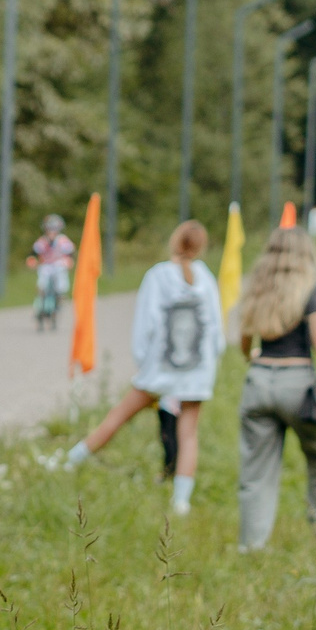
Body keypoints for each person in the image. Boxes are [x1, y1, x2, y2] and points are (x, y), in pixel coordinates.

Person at [59, 221, 224, 516]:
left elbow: (144, 326)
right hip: (196, 373)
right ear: (201, 247)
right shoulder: (206, 279)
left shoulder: (158, 276)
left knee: (118, 416)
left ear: (174, 242)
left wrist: (144, 363)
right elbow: (216, 332)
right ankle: (181, 501)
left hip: (159, 371)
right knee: (188, 434)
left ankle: (70, 461)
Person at [235, 228, 316, 549]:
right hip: (296, 384)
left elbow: (245, 337)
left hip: (259, 380)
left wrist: (252, 356)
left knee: (256, 471)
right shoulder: (309, 289)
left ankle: (251, 546)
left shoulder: (257, 287)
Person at [28, 214, 77, 319]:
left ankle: (60, 296)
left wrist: (70, 260)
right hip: (46, 264)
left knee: (61, 279)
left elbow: (70, 251)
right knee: (42, 281)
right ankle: (39, 303)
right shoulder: (42, 241)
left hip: (58, 264)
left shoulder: (62, 240)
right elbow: (34, 252)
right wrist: (31, 259)